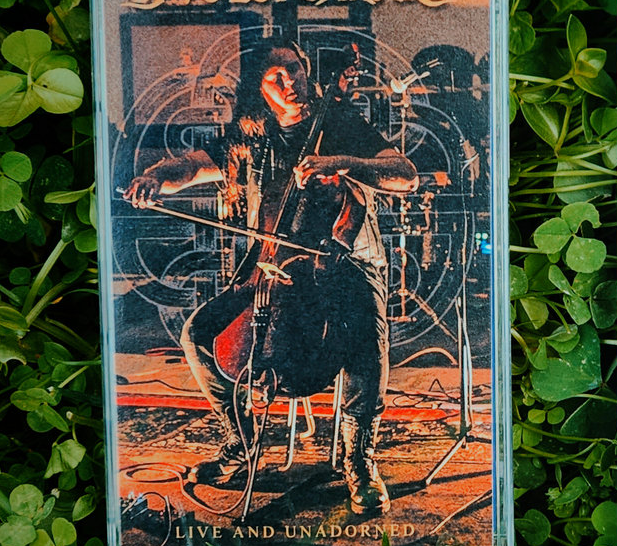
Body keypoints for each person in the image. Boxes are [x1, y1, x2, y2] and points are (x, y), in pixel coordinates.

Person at [123, 41, 418, 513]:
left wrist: (342, 163)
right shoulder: (250, 135)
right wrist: (156, 176)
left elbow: (405, 174)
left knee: (366, 339)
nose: (290, 82)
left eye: (295, 69)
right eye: (276, 77)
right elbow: (193, 166)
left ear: (307, 69)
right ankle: (239, 442)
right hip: (271, 266)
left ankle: (358, 460)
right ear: (259, 89)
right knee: (198, 334)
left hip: (345, 260)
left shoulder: (339, 121)